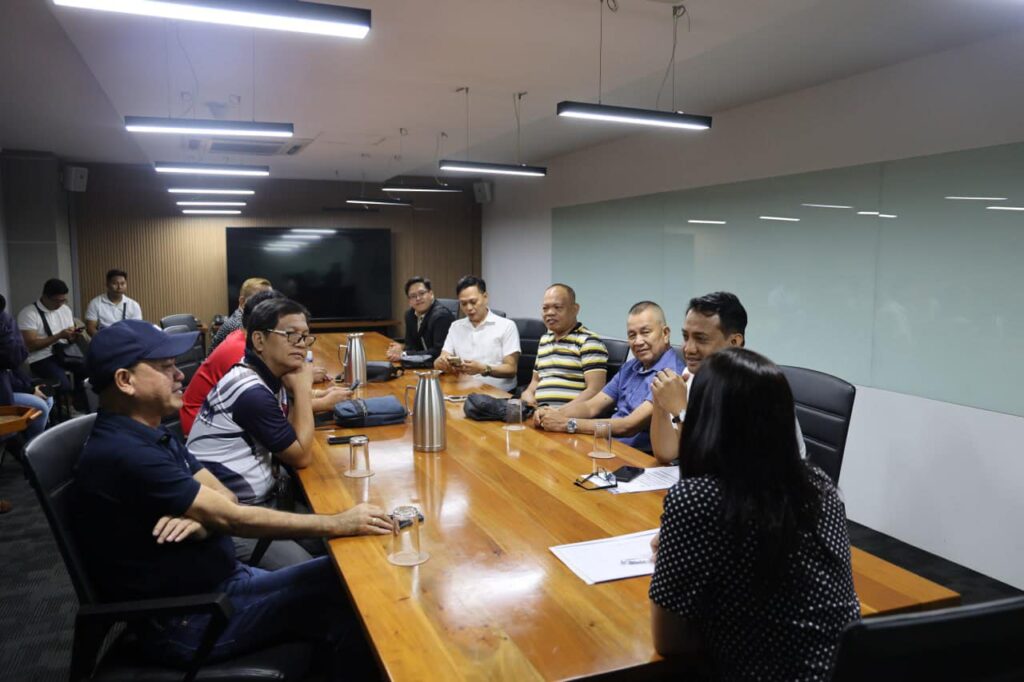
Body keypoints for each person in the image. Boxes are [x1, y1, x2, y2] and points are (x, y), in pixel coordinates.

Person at [72, 319, 392, 674]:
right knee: (351, 590)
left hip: (225, 584)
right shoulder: (125, 452)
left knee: (347, 578)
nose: (180, 375)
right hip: (194, 619)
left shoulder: (148, 432)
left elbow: (225, 497)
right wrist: (339, 523)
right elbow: (232, 517)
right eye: (165, 367)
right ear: (124, 381)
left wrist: (203, 521)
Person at [649, 347, 859, 680]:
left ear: (704, 417)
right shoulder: (820, 485)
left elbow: (669, 642)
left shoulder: (696, 498)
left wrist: (673, 559)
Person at [186, 298, 329, 568]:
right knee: (312, 567)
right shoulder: (250, 391)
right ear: (259, 340)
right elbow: (300, 456)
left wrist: (295, 391)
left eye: (305, 337)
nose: (301, 344)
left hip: (263, 500)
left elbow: (289, 433)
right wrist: (302, 389)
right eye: (291, 335)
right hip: (233, 516)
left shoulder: (262, 374)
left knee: (335, 542)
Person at [649, 292, 806, 465]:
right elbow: (666, 453)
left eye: (701, 339)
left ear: (734, 342)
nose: (688, 349)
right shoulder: (693, 375)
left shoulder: (759, 389)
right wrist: (661, 404)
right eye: (686, 337)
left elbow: (713, 464)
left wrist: (680, 411)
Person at [179, 290, 349, 436]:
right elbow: (267, 408)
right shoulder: (240, 352)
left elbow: (278, 398)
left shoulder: (245, 340)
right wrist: (323, 403)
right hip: (199, 425)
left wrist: (318, 393)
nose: (300, 343)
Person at [536, 301, 684, 453]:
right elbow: (591, 407)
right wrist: (553, 413)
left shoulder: (671, 376)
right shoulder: (630, 367)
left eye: (645, 332)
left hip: (638, 456)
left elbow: (629, 425)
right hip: (608, 446)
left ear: (665, 334)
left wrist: (567, 424)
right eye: (632, 335)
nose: (638, 341)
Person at [520, 283, 608, 408]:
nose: (550, 313)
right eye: (545, 308)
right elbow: (535, 381)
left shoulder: (589, 341)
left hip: (570, 416)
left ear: (575, 309)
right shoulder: (544, 340)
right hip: (538, 412)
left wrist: (560, 413)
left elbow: (595, 390)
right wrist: (528, 394)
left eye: (557, 307)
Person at [435, 276, 520, 392]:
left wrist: (483, 369)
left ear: (485, 297)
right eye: (463, 304)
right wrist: (441, 362)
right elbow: (442, 358)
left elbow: (511, 369)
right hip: (463, 389)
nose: (469, 308)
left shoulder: (507, 326)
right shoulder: (456, 327)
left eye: (473, 302)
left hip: (497, 393)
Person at [17, 278, 85, 399]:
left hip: (64, 352)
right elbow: (30, 346)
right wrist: (59, 336)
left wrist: (74, 335)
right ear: (45, 297)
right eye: (56, 301)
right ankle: (61, 406)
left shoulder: (65, 309)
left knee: (88, 370)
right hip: (40, 357)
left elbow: (69, 337)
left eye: (63, 300)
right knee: (63, 385)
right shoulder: (28, 313)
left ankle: (79, 402)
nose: (60, 304)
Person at [0, 294, 53, 442]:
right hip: (4, 391)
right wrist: (29, 390)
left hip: (9, 383)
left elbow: (15, 362)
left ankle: (30, 440)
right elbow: (11, 360)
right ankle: (32, 446)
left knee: (48, 396)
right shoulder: (6, 321)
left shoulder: (4, 318)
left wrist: (30, 386)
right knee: (41, 406)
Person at [386, 276, 455, 363]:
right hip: (421, 364)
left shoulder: (441, 316)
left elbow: (438, 352)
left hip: (441, 366)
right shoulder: (410, 315)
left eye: (422, 293)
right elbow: (411, 345)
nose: (418, 298)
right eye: (413, 296)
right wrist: (401, 348)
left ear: (431, 294)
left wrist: (404, 354)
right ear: (409, 301)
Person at [209, 277, 272, 353]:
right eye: (260, 300)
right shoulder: (238, 325)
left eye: (270, 300)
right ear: (242, 302)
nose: (267, 305)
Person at [84, 268, 143, 336]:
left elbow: (137, 328)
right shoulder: (95, 303)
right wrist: (103, 339)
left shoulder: (133, 305)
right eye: (115, 283)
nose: (119, 287)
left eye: (122, 283)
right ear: (107, 284)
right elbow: (90, 328)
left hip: (126, 339)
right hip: (104, 338)